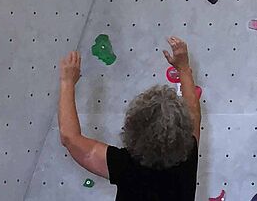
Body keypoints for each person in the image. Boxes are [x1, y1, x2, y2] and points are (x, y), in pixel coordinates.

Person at [58, 37, 201, 200]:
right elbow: (194, 112)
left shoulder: (125, 166)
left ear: (131, 130)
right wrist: (183, 67)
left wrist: (67, 82)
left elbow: (70, 138)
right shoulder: (188, 154)